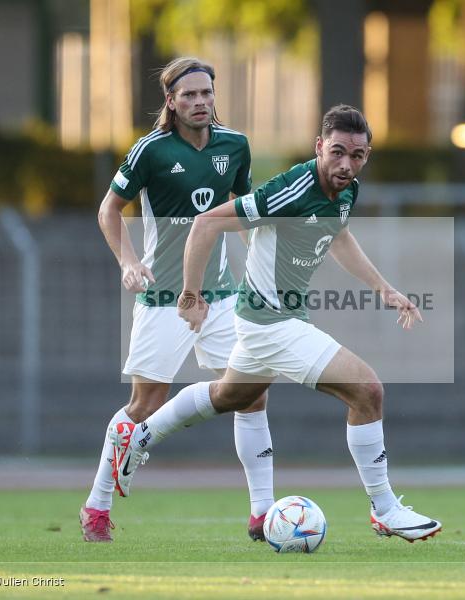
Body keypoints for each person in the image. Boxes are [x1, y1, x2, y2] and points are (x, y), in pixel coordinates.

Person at [110, 105, 442, 542]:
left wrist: (383, 288)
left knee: (228, 395)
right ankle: (384, 509)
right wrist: (191, 295)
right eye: (338, 152)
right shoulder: (291, 190)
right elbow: (207, 223)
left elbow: (338, 234)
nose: (346, 164)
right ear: (319, 146)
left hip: (265, 321)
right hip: (272, 325)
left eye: (357, 155)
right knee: (367, 390)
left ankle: (140, 436)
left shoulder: (347, 189)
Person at [80, 57, 274, 543]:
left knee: (252, 392)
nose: (200, 102)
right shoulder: (150, 151)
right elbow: (108, 210)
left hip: (222, 297)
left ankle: (263, 514)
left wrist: (261, 269)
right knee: (145, 403)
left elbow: (245, 215)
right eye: (188, 95)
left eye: (206, 93)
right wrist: (128, 262)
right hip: (163, 298)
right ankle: (97, 507)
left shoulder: (235, 146)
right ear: (170, 101)